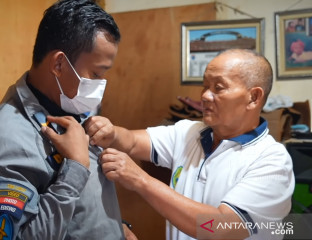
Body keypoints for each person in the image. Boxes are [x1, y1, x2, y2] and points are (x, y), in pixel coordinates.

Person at [80, 49, 295, 240]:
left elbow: (219, 228)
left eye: (218, 88)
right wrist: (111, 132)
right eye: (205, 86)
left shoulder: (272, 162)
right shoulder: (190, 133)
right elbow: (133, 142)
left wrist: (140, 180)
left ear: (254, 98)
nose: (205, 96)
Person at [0, 0, 137, 239]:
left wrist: (116, 227)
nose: (100, 86)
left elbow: (81, 206)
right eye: (97, 74)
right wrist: (76, 167)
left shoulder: (68, 103)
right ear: (59, 64)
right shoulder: (9, 139)